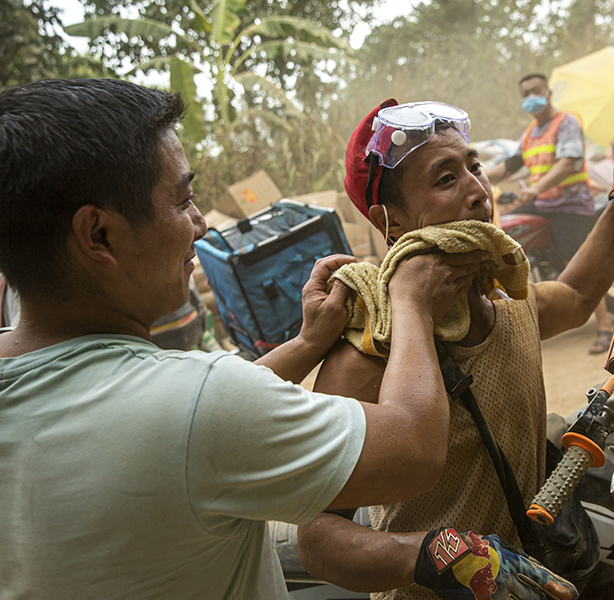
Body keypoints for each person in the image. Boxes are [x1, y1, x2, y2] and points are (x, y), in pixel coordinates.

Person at [0, 79, 493, 599]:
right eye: (183, 200)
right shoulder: (197, 401)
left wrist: (306, 345)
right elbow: (413, 451)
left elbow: (191, 421)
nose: (200, 227)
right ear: (99, 235)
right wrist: (410, 303)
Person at [295, 98, 614, 599]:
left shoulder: (507, 293)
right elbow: (318, 537)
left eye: (475, 168)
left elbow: (577, 298)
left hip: (544, 571)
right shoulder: (370, 348)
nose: (478, 191)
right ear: (392, 222)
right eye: (446, 179)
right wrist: (433, 556)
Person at [484, 73, 614, 355]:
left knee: (578, 262)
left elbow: (568, 163)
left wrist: (536, 187)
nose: (531, 96)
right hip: (544, 203)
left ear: (549, 92)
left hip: (571, 204)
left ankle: (605, 324)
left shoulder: (566, 122)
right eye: (525, 93)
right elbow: (511, 163)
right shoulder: (530, 133)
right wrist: (478, 176)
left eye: (535, 90)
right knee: (506, 233)